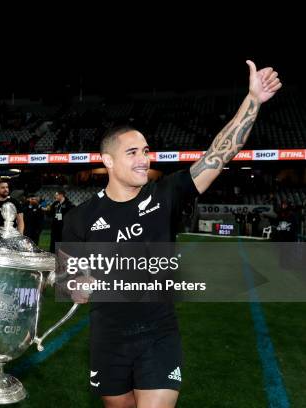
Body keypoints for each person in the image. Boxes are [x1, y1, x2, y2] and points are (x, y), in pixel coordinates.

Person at [62, 61, 281, 407]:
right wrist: (77, 286)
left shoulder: (165, 195)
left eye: (146, 152)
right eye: (132, 152)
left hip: (158, 335)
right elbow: (68, 282)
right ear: (107, 160)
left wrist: (253, 99)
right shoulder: (79, 218)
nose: (143, 160)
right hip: (108, 339)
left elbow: (219, 154)